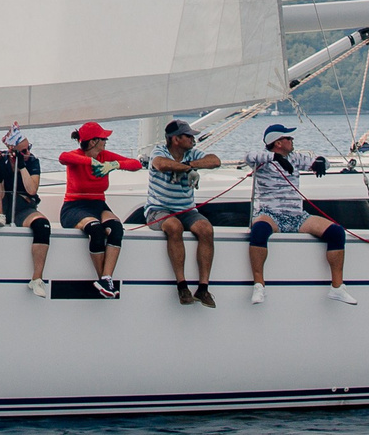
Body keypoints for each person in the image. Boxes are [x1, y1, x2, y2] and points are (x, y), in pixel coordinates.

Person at [244, 121, 357, 305]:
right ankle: (259, 285)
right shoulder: (263, 160)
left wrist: (321, 161)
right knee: (259, 231)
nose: (292, 140)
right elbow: (248, 156)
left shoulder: (295, 158)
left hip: (297, 216)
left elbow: (322, 162)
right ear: (278, 142)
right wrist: (275, 158)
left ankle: (337, 287)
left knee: (336, 232)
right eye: (288, 138)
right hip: (270, 213)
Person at [57, 121, 144, 298]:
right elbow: (63, 157)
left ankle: (106, 279)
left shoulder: (105, 156)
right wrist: (91, 162)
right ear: (93, 141)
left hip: (98, 204)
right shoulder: (76, 156)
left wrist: (115, 165)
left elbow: (136, 164)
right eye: (103, 139)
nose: (106, 142)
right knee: (96, 230)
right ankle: (102, 279)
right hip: (74, 206)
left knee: (116, 228)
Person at [144, 120, 222, 307]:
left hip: (186, 209)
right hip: (158, 209)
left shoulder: (191, 153)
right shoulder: (159, 151)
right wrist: (188, 168)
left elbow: (215, 161)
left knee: (206, 229)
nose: (192, 139)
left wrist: (188, 165)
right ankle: (182, 286)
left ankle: (203, 288)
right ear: (175, 139)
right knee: (174, 226)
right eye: (188, 136)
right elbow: (161, 164)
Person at [0, 128, 52, 298]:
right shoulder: (1, 158)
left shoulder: (32, 161)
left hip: (23, 207)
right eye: (23, 151)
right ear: (12, 150)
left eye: (29, 148)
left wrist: (22, 166)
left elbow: (32, 190)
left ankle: (37, 278)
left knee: (43, 225)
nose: (28, 153)